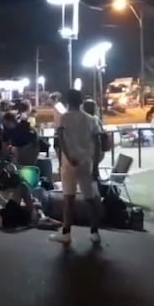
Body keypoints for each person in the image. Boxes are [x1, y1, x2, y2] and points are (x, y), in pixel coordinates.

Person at [49, 89, 103, 245]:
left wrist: (67, 156)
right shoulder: (91, 119)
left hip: (69, 162)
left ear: (68, 101)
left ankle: (66, 232)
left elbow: (60, 140)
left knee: (68, 197)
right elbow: (97, 143)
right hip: (86, 161)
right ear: (81, 101)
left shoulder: (63, 118)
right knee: (90, 198)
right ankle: (94, 232)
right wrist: (96, 165)